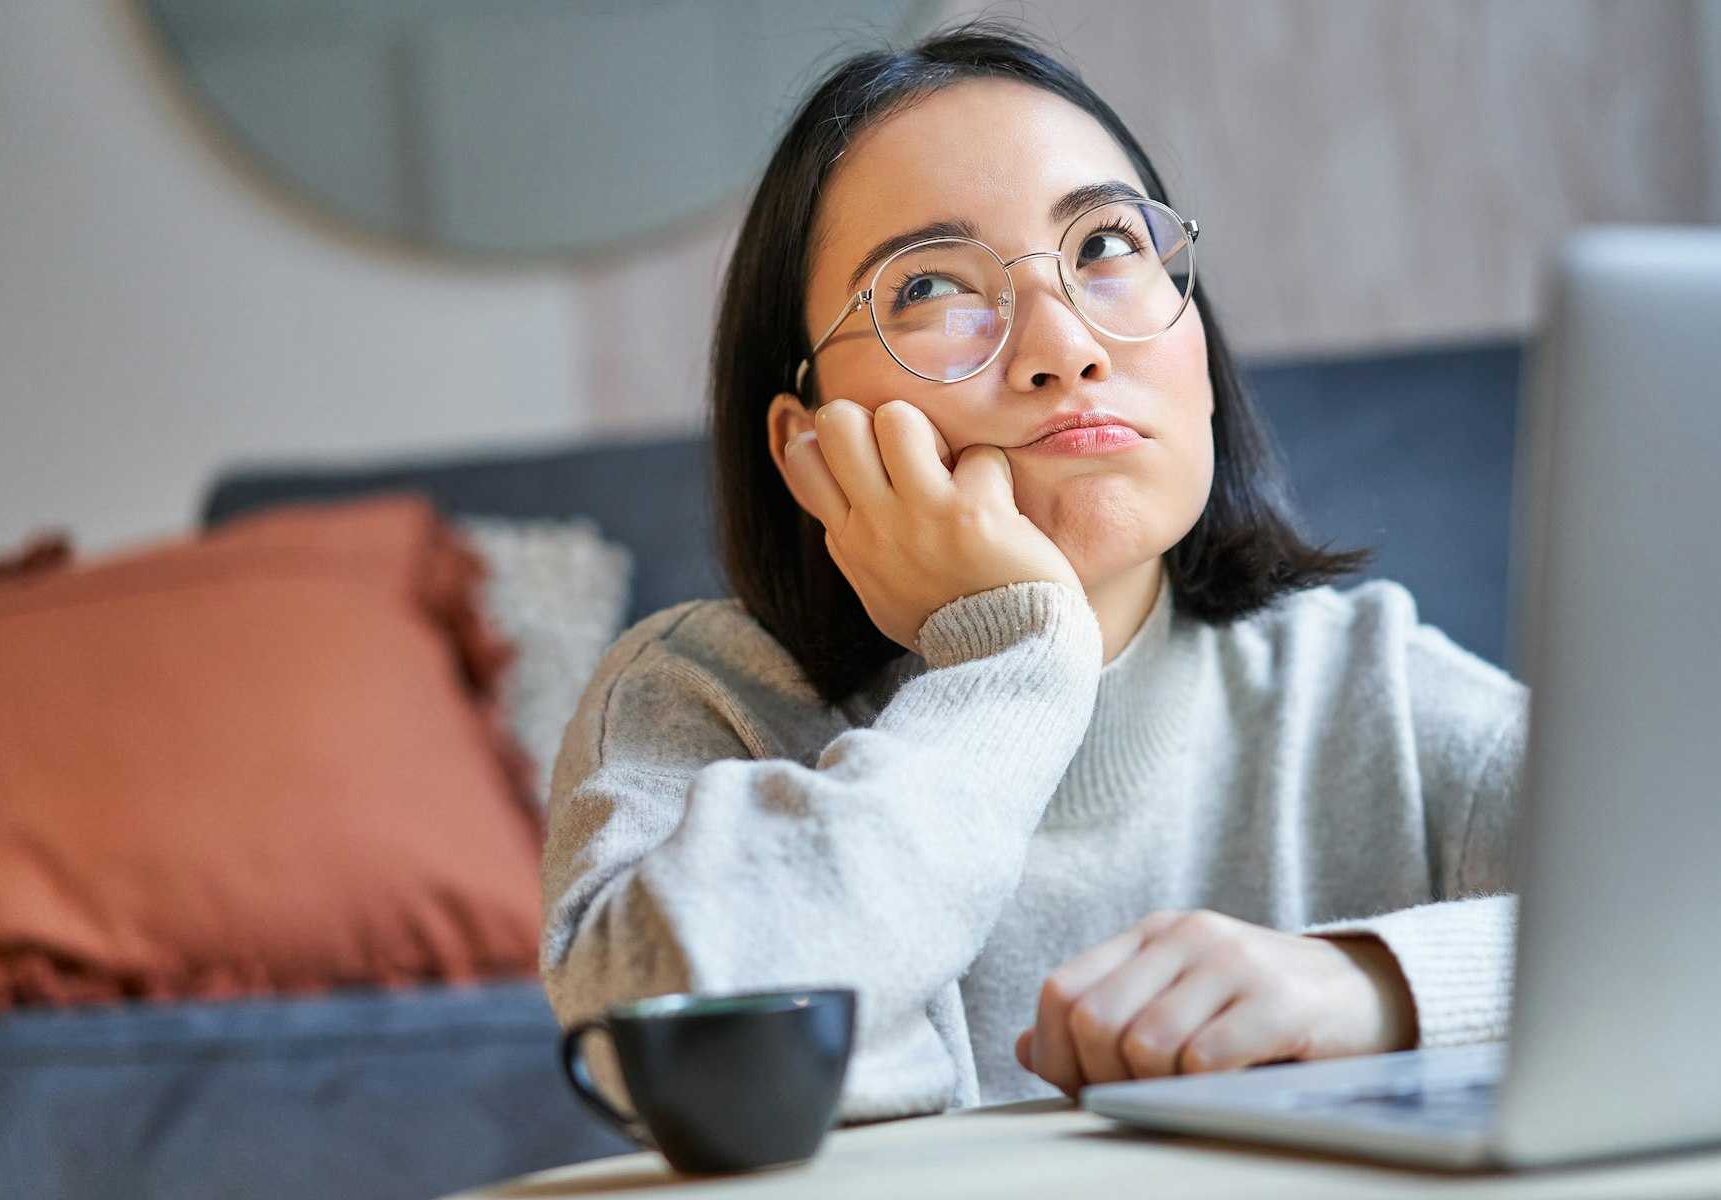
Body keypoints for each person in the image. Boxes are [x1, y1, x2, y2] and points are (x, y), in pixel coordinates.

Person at [540, 19, 1526, 1125]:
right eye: (927, 290)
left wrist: (1375, 983)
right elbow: (682, 1060)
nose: (1064, 345)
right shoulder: (698, 701)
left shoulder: (1364, 688)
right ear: (806, 442)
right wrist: (1010, 655)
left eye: (1105, 248)